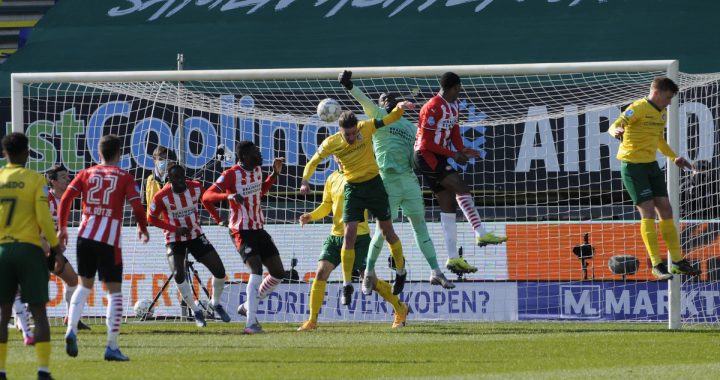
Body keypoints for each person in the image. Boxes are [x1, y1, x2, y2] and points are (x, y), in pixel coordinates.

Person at [339, 70, 454, 295]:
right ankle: (369, 273)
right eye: (384, 100)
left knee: (420, 227)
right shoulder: (379, 116)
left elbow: (415, 158)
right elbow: (362, 100)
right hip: (387, 182)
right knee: (382, 231)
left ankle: (436, 271)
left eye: (391, 98)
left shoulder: (411, 128)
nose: (388, 101)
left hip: (408, 181)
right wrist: (349, 86)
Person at [300, 101, 414, 303]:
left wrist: (399, 109)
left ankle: (401, 270)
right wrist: (304, 181)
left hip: (373, 185)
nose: (352, 137)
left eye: (353, 133)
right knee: (348, 233)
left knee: (387, 231)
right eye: (348, 134)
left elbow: (388, 119)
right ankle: (347, 285)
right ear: (340, 131)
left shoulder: (365, 127)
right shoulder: (331, 143)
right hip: (353, 188)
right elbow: (313, 161)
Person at [58, 134, 149, 361]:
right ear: (119, 154)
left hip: (85, 236)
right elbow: (138, 206)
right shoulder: (124, 177)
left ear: (99, 154)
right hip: (109, 240)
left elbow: (66, 198)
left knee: (83, 285)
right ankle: (112, 345)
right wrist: (142, 227)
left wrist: (62, 228)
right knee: (114, 293)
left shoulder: (86, 173)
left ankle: (71, 330)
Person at [297, 159, 409, 331]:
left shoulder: (361, 177)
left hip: (359, 238)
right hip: (336, 237)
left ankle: (400, 308)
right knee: (321, 272)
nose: (342, 157)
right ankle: (312, 321)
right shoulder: (332, 178)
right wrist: (311, 216)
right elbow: (327, 206)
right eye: (339, 154)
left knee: (370, 281)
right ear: (336, 157)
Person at [414, 72, 507, 274]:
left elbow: (454, 129)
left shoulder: (454, 105)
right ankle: (480, 232)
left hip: (438, 156)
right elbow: (426, 143)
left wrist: (461, 149)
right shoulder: (431, 107)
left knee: (448, 205)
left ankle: (453, 258)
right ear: (454, 88)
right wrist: (453, 154)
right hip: (425, 156)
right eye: (459, 88)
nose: (460, 92)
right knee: (461, 188)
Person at [608, 76, 699, 280]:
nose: (669, 102)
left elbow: (658, 139)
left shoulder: (662, 113)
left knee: (666, 209)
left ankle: (676, 261)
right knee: (648, 212)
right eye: (667, 97)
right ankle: (657, 264)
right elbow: (615, 124)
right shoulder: (638, 108)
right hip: (633, 167)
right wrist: (617, 131)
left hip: (651, 165)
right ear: (656, 93)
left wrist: (673, 156)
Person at [0, 132, 65, 380]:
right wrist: (56, 248)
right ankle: (43, 370)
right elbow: (44, 219)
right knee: (38, 311)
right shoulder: (34, 180)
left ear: (5, 153)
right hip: (29, 250)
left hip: (3, 249)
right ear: (27, 152)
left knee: (3, 312)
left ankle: (2, 370)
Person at [202, 141, 285, 334]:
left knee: (279, 272)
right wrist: (228, 198)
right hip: (241, 230)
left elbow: (260, 192)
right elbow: (207, 196)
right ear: (245, 156)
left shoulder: (257, 170)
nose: (260, 153)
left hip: (258, 228)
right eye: (256, 151)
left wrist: (274, 174)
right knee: (256, 269)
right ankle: (250, 324)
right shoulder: (231, 174)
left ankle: (248, 305)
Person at [147, 163, 231, 327]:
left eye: (182, 176)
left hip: (195, 235)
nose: (180, 180)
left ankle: (215, 303)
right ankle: (195, 309)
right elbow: (151, 219)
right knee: (179, 273)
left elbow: (206, 201)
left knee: (220, 271)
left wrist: (218, 219)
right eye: (176, 177)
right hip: (174, 238)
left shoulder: (196, 187)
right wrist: (175, 229)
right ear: (169, 179)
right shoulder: (161, 196)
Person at [45, 165, 91, 331]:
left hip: (52, 249)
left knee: (73, 280)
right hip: (37, 248)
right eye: (63, 177)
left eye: (68, 176)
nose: (68, 179)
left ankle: (71, 318)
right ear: (53, 181)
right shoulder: (45, 199)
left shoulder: (66, 199)